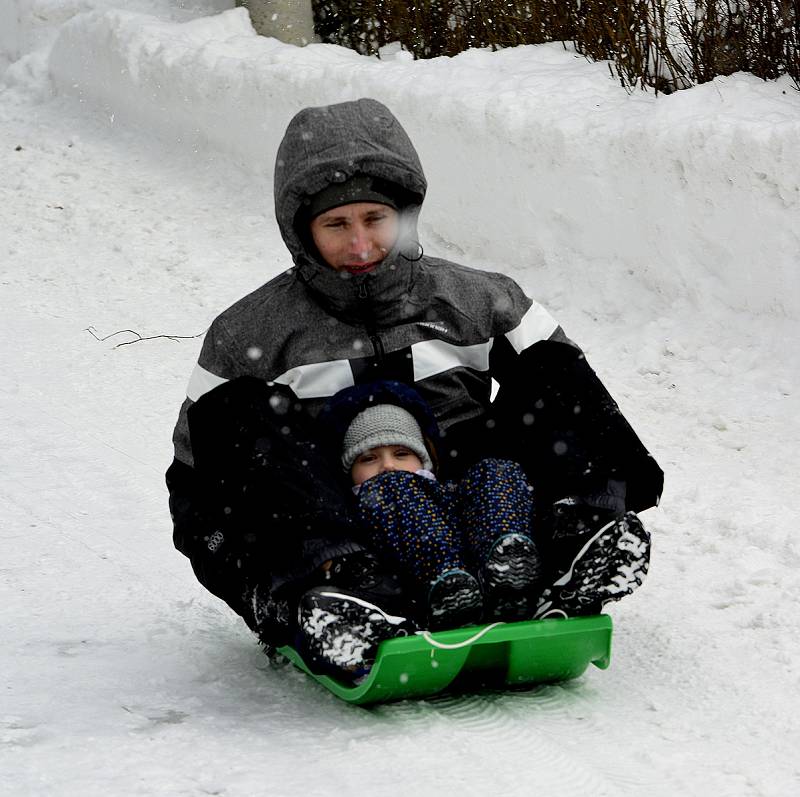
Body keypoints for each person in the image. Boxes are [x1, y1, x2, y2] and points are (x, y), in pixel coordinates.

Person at [166, 97, 663, 679]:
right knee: (234, 411)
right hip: (335, 520)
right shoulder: (250, 334)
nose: (360, 247)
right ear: (301, 231)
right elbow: (198, 493)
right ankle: (341, 599)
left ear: (405, 214)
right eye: (335, 225)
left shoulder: (480, 301)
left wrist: (586, 492)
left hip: (477, 509)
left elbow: (583, 418)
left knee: (550, 365)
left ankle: (565, 546)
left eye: (375, 220)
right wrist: (261, 590)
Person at [319, 379, 544, 633]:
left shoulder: (448, 490)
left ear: (425, 461)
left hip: (485, 570)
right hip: (423, 592)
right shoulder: (360, 508)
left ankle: (508, 564)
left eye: (401, 453)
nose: (388, 465)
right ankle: (448, 584)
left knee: (493, 470)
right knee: (391, 489)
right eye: (369, 458)